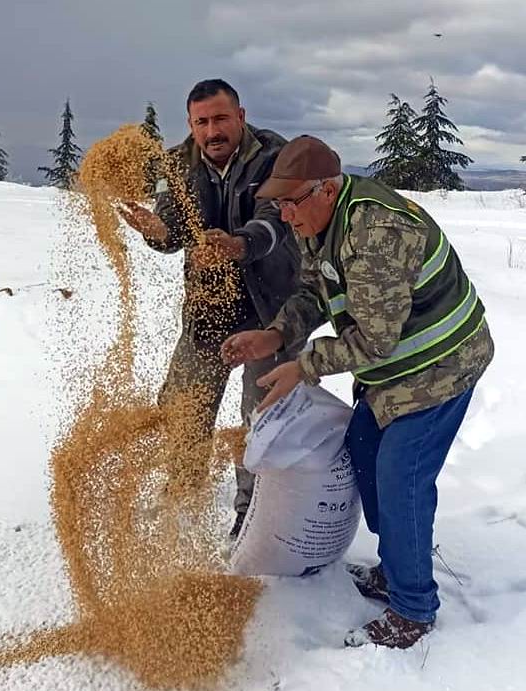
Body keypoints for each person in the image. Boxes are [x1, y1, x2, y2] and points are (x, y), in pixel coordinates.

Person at [220, 135, 494, 648]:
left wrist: (303, 366)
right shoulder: (315, 222)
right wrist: (276, 334)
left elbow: (373, 340)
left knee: (400, 478)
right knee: (363, 448)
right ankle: (398, 566)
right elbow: (313, 291)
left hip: (443, 366)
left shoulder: (375, 234)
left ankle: (413, 609)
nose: (285, 214)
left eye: (292, 201)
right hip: (397, 368)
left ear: (327, 189)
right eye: (278, 203)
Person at [118, 79, 302, 537]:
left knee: (261, 419)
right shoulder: (178, 164)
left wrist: (241, 244)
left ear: (240, 116)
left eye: (221, 119)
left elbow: (277, 221)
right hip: (207, 310)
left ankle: (252, 517)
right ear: (190, 125)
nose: (212, 130)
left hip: (270, 310)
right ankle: (184, 491)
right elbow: (173, 229)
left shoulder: (274, 155)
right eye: (202, 122)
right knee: (183, 407)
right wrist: (156, 230)